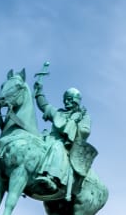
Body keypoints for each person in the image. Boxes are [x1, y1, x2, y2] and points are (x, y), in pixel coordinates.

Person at [33, 62, 95, 195]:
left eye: (70, 99)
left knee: (56, 147)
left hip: (67, 144)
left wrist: (74, 124)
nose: (66, 102)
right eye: (65, 99)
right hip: (49, 138)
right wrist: (39, 92)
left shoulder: (83, 116)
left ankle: (51, 178)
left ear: (76, 101)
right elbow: (44, 106)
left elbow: (85, 131)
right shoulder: (58, 113)